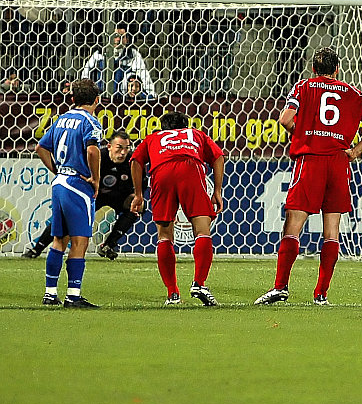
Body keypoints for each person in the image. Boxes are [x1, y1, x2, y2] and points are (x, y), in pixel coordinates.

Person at [254, 47, 362, 306]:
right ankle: (321, 294)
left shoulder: (304, 87)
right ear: (337, 69)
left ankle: (280, 287)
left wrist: (302, 132)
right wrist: (356, 151)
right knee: (332, 229)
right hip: (338, 163)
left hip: (311, 160)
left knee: (294, 222)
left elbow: (285, 119)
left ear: (313, 69)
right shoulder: (352, 92)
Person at [130, 112, 225, 306]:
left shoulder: (153, 137)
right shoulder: (196, 134)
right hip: (190, 169)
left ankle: (172, 293)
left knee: (164, 235)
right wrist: (217, 191)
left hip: (161, 172)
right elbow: (218, 157)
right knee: (202, 230)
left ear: (163, 128)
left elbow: (136, 161)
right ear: (186, 126)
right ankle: (199, 283)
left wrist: (138, 194)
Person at [35, 78, 103, 308]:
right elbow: (93, 151)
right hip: (77, 185)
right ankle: (73, 295)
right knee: (79, 240)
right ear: (97, 100)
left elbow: (40, 147)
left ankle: (50, 293)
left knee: (59, 240)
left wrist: (56, 169)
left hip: (60, 182)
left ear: (73, 99)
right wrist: (95, 178)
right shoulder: (90, 122)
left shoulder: (61, 119)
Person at [25, 130, 140, 261]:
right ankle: (37, 248)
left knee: (136, 208)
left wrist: (135, 196)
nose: (123, 152)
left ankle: (108, 245)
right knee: (67, 215)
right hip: (93, 195)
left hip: (118, 196)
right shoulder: (97, 157)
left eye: (126, 148)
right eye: (119, 148)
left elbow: (140, 183)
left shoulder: (132, 161)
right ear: (109, 146)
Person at [80, 26, 156, 100]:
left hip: (123, 100)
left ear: (127, 39)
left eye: (122, 37)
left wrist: (151, 94)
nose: (118, 39)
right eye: (116, 36)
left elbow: (144, 76)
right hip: (101, 99)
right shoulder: (98, 54)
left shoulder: (133, 55)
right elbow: (86, 74)